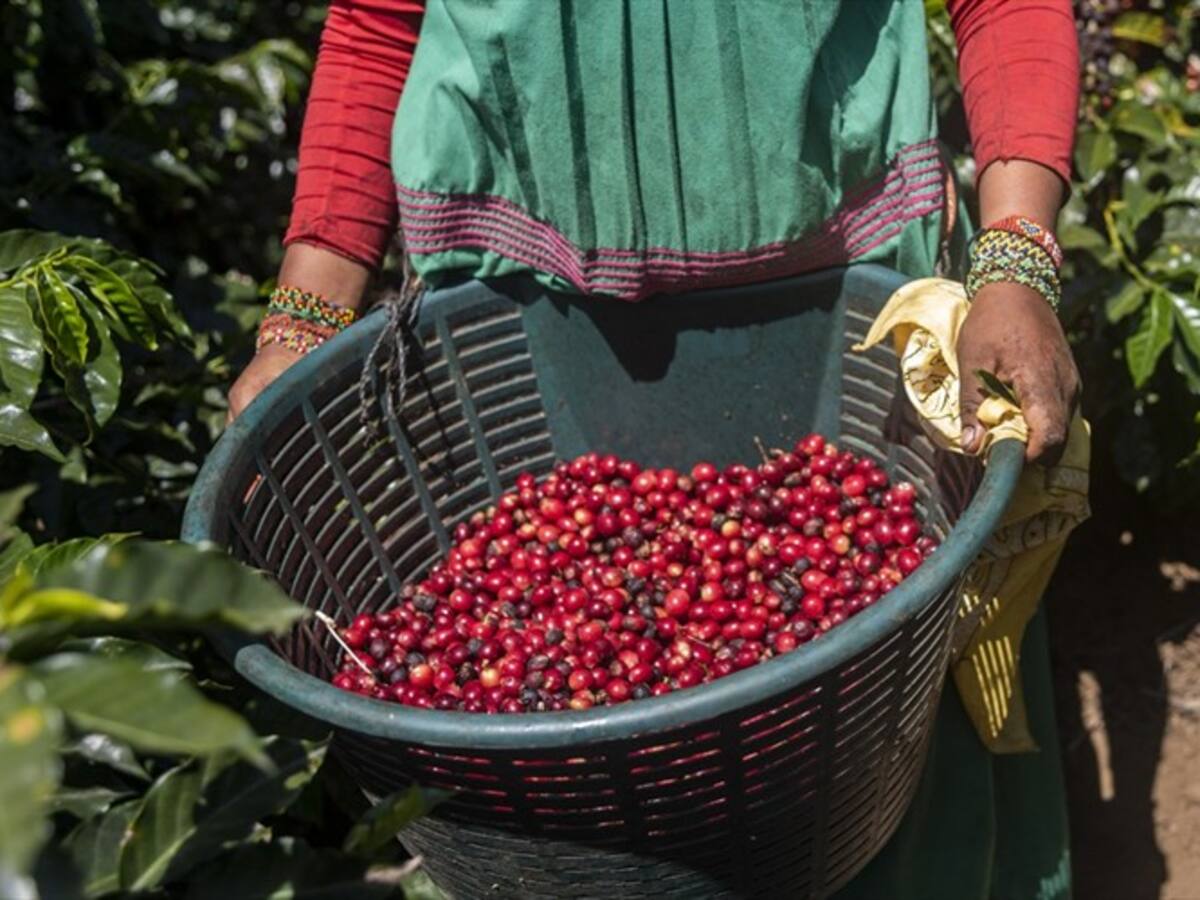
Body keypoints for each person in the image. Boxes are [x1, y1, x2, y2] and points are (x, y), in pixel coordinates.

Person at [228, 2, 1081, 897]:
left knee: (873, 714)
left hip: (839, 297)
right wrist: (304, 317)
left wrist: (1016, 253)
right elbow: (377, 19)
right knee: (563, 816)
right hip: (523, 314)